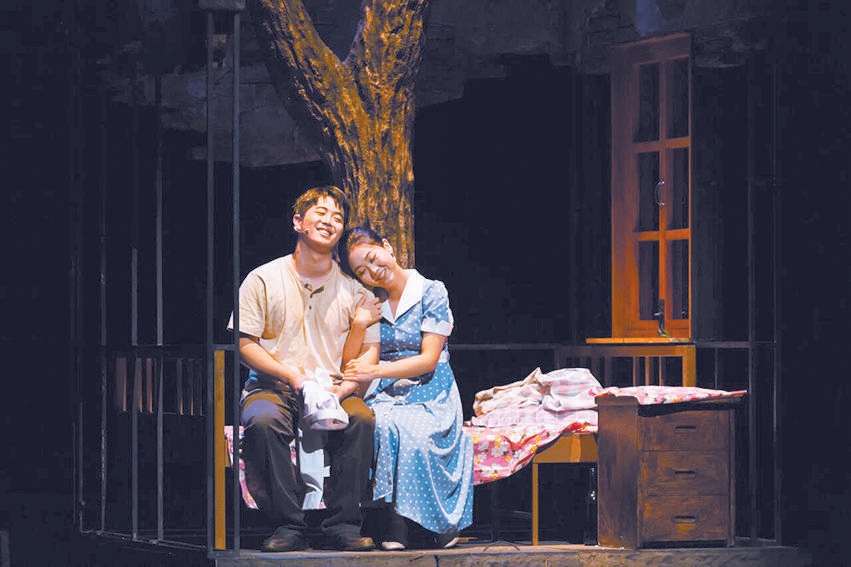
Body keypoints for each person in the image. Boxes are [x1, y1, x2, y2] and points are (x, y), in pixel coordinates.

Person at [227, 186, 383, 552]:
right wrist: (292, 377)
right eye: (321, 213)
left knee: (362, 419)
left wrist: (344, 389)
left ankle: (343, 524)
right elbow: (244, 344)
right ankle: (287, 524)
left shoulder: (356, 291)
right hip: (274, 387)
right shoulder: (263, 278)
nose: (330, 221)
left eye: (337, 218)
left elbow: (369, 353)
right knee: (264, 421)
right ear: (298, 222)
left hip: (333, 391)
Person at [339, 226, 475, 550]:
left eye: (373, 258)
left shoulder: (431, 291)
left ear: (387, 247)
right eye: (362, 270)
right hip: (387, 390)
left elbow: (428, 359)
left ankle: (440, 522)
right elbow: (353, 360)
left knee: (418, 432)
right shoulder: (371, 303)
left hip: (431, 387)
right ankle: (395, 522)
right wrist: (359, 325)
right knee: (383, 424)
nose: (373, 271)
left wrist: (376, 370)